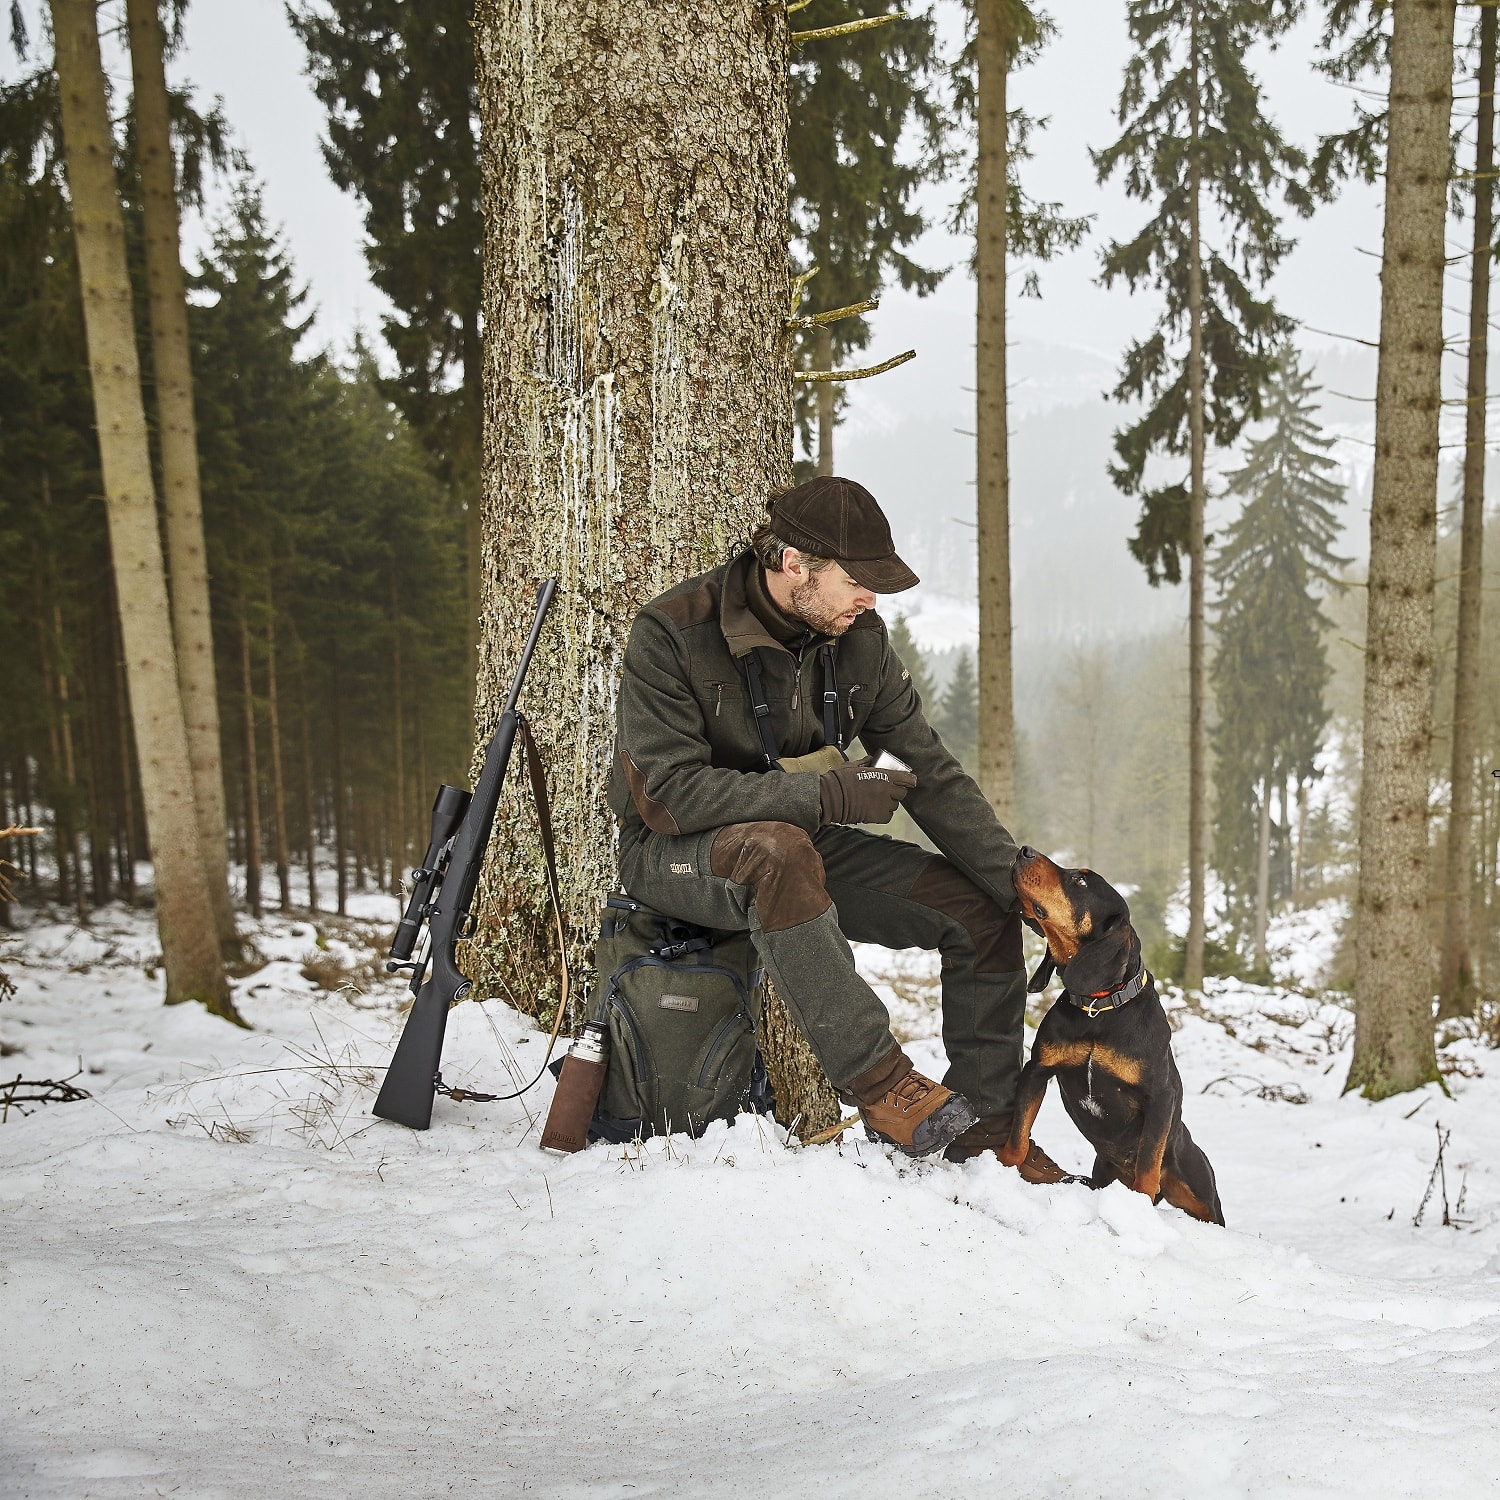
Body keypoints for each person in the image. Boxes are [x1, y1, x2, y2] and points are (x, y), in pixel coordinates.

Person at [606, 475, 1064, 1176]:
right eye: (858, 582)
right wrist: (823, 796)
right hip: (671, 854)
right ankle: (883, 1087)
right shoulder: (673, 632)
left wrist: (1017, 884)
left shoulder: (859, 643)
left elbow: (928, 774)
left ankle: (990, 1135)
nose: (870, 601)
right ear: (795, 564)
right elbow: (667, 797)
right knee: (779, 851)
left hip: (797, 850)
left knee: (977, 909)